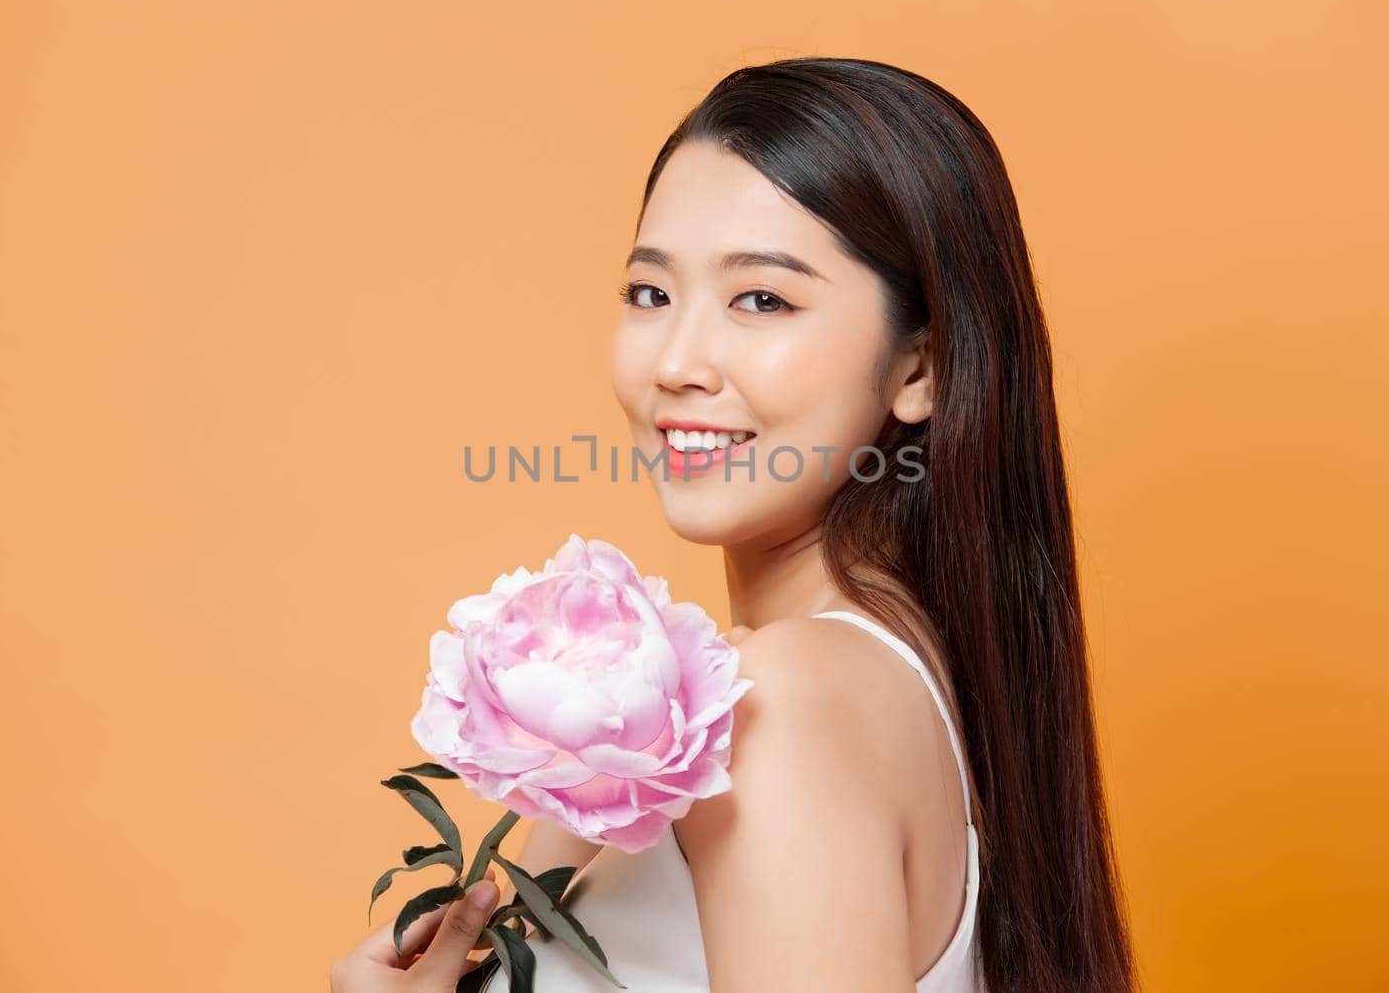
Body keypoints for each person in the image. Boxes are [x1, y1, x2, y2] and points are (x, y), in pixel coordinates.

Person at [334, 56, 1137, 993]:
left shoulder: (783, 707)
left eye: (762, 299)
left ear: (921, 369)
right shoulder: (860, 689)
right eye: (651, 293)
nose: (678, 360)